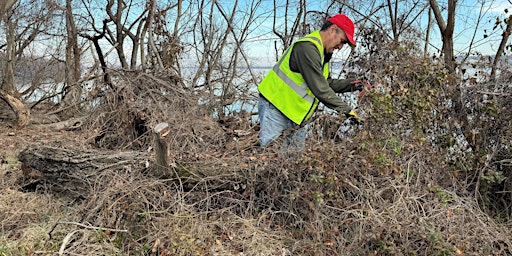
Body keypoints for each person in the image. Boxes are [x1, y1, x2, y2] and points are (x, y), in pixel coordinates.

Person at [257, 14, 367, 153]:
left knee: (294, 163)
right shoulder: (308, 48)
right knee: (270, 158)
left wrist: (354, 85)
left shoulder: (321, 52)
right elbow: (320, 89)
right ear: (332, 30)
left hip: (296, 115)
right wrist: (348, 111)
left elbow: (325, 83)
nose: (340, 47)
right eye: (342, 41)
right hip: (275, 108)